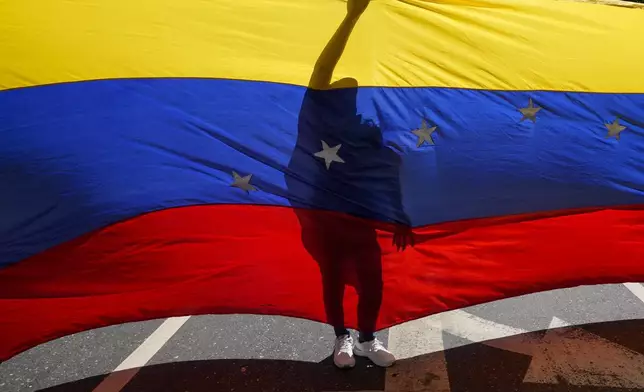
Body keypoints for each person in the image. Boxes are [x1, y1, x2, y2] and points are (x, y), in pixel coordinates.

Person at [285, 0, 413, 369]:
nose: (349, 91)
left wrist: (399, 213)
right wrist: (352, 16)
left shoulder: (364, 132)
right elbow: (323, 67)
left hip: (359, 217)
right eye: (344, 87)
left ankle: (368, 339)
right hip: (324, 215)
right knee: (333, 279)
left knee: (373, 282)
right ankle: (342, 338)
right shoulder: (315, 116)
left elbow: (386, 171)